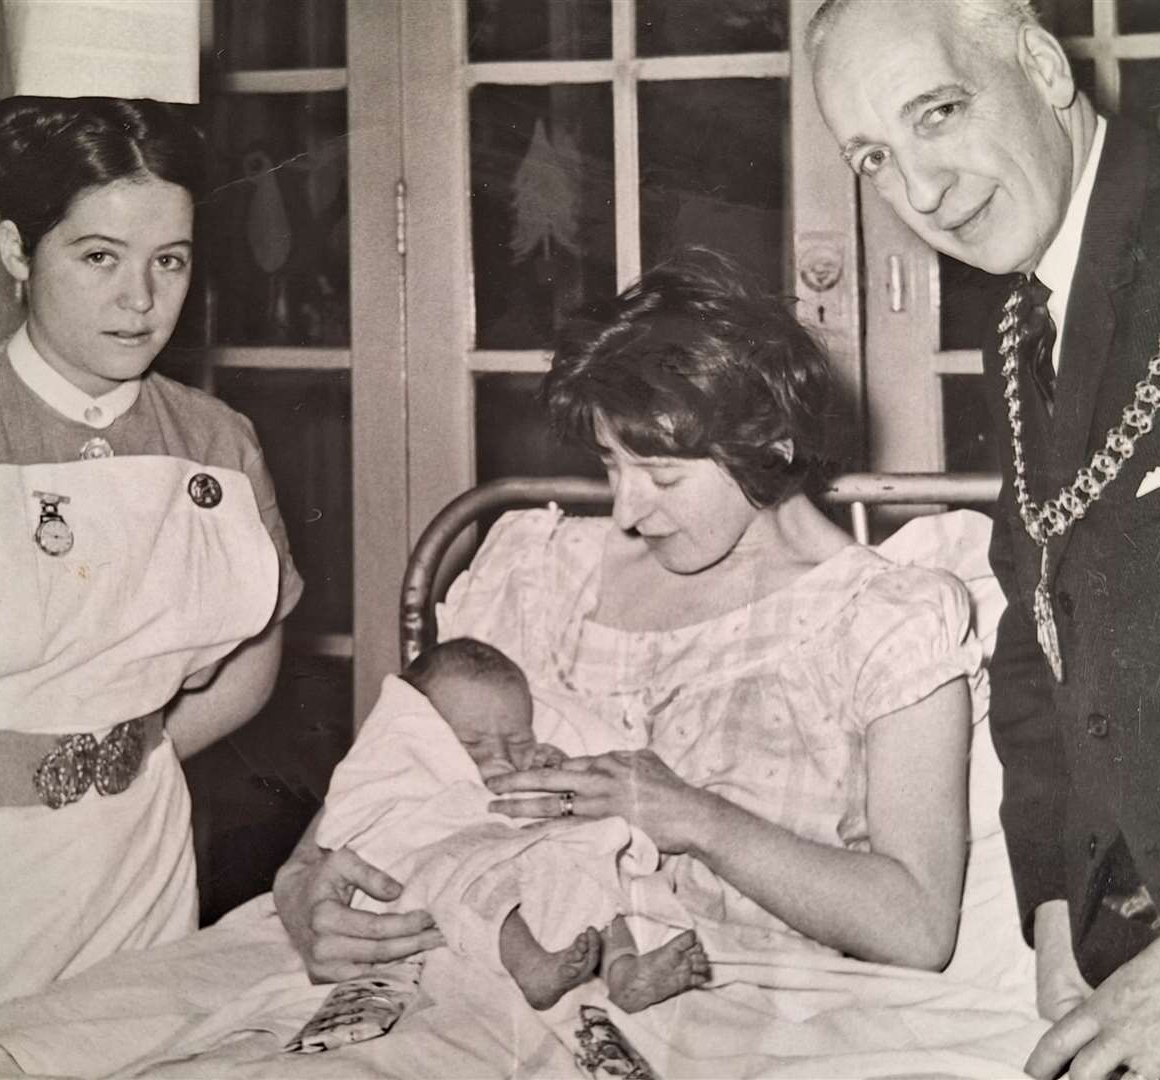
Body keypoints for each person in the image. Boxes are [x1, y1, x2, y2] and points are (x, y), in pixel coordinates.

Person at [276, 249, 981, 990]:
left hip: (747, 1011)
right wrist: (298, 886)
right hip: (475, 973)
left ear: (771, 444)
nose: (626, 510)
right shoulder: (539, 577)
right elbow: (388, 774)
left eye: (662, 475)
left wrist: (695, 819)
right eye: (612, 465)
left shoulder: (883, 622)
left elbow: (916, 925)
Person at [806, 2, 1160, 1078]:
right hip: (1142, 947)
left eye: (938, 112)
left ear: (1038, 63)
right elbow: (1042, 630)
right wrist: (1060, 901)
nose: (919, 192)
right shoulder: (1022, 326)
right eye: (875, 155)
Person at [0, 95, 303, 1035]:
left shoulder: (215, 439)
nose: (141, 299)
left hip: (143, 859)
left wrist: (134, 752)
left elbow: (257, 650)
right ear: (17, 251)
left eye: (167, 261)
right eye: (99, 258)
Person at [316, 635, 710, 1013]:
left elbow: (564, 803)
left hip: (531, 864)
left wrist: (548, 768)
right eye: (473, 744)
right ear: (429, 735)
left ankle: (624, 971)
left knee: (594, 872)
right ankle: (531, 966)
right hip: (460, 869)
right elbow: (392, 822)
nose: (501, 756)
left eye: (518, 741)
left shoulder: (534, 759)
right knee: (481, 885)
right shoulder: (412, 770)